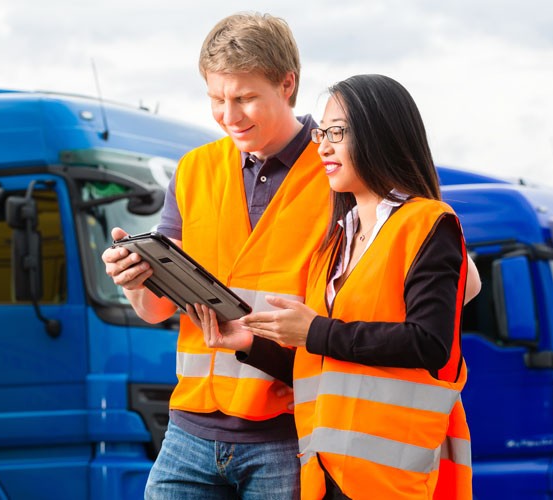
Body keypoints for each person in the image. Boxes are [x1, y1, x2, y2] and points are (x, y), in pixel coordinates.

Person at [193, 74, 474, 499]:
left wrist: (315, 331)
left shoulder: (427, 223)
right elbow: (323, 368)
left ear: (380, 134)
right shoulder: (335, 244)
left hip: (389, 481)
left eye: (336, 133)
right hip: (325, 474)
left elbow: (430, 344)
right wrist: (252, 344)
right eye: (321, 132)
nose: (321, 145)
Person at [102, 12, 333, 499]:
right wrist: (134, 281)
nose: (229, 115)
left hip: (286, 432)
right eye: (216, 99)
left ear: (287, 84)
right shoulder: (193, 171)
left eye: (245, 98)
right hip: (188, 432)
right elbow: (156, 310)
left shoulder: (337, 172)